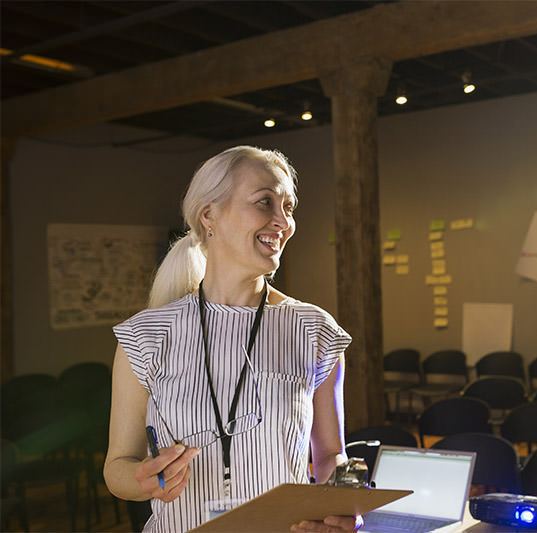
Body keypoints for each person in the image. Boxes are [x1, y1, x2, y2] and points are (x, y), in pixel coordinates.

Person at [104, 146, 360, 532]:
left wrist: (344, 502)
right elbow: (117, 465)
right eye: (265, 203)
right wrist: (142, 479)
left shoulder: (314, 330)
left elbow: (330, 455)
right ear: (209, 215)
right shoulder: (145, 337)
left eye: (288, 207)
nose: (283, 221)